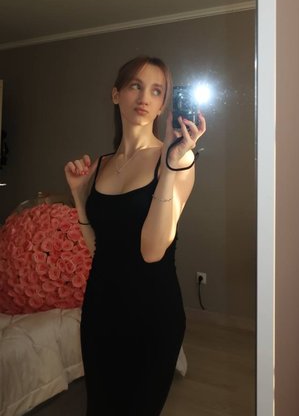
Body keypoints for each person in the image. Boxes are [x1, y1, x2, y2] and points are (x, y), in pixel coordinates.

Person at [64, 56, 206, 416]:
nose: (144, 97)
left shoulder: (179, 160)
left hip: (152, 315)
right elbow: (100, 250)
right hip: (100, 310)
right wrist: (79, 196)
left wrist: (169, 167)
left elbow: (152, 251)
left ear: (162, 105)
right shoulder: (102, 164)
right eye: (135, 86)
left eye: (156, 91)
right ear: (116, 95)